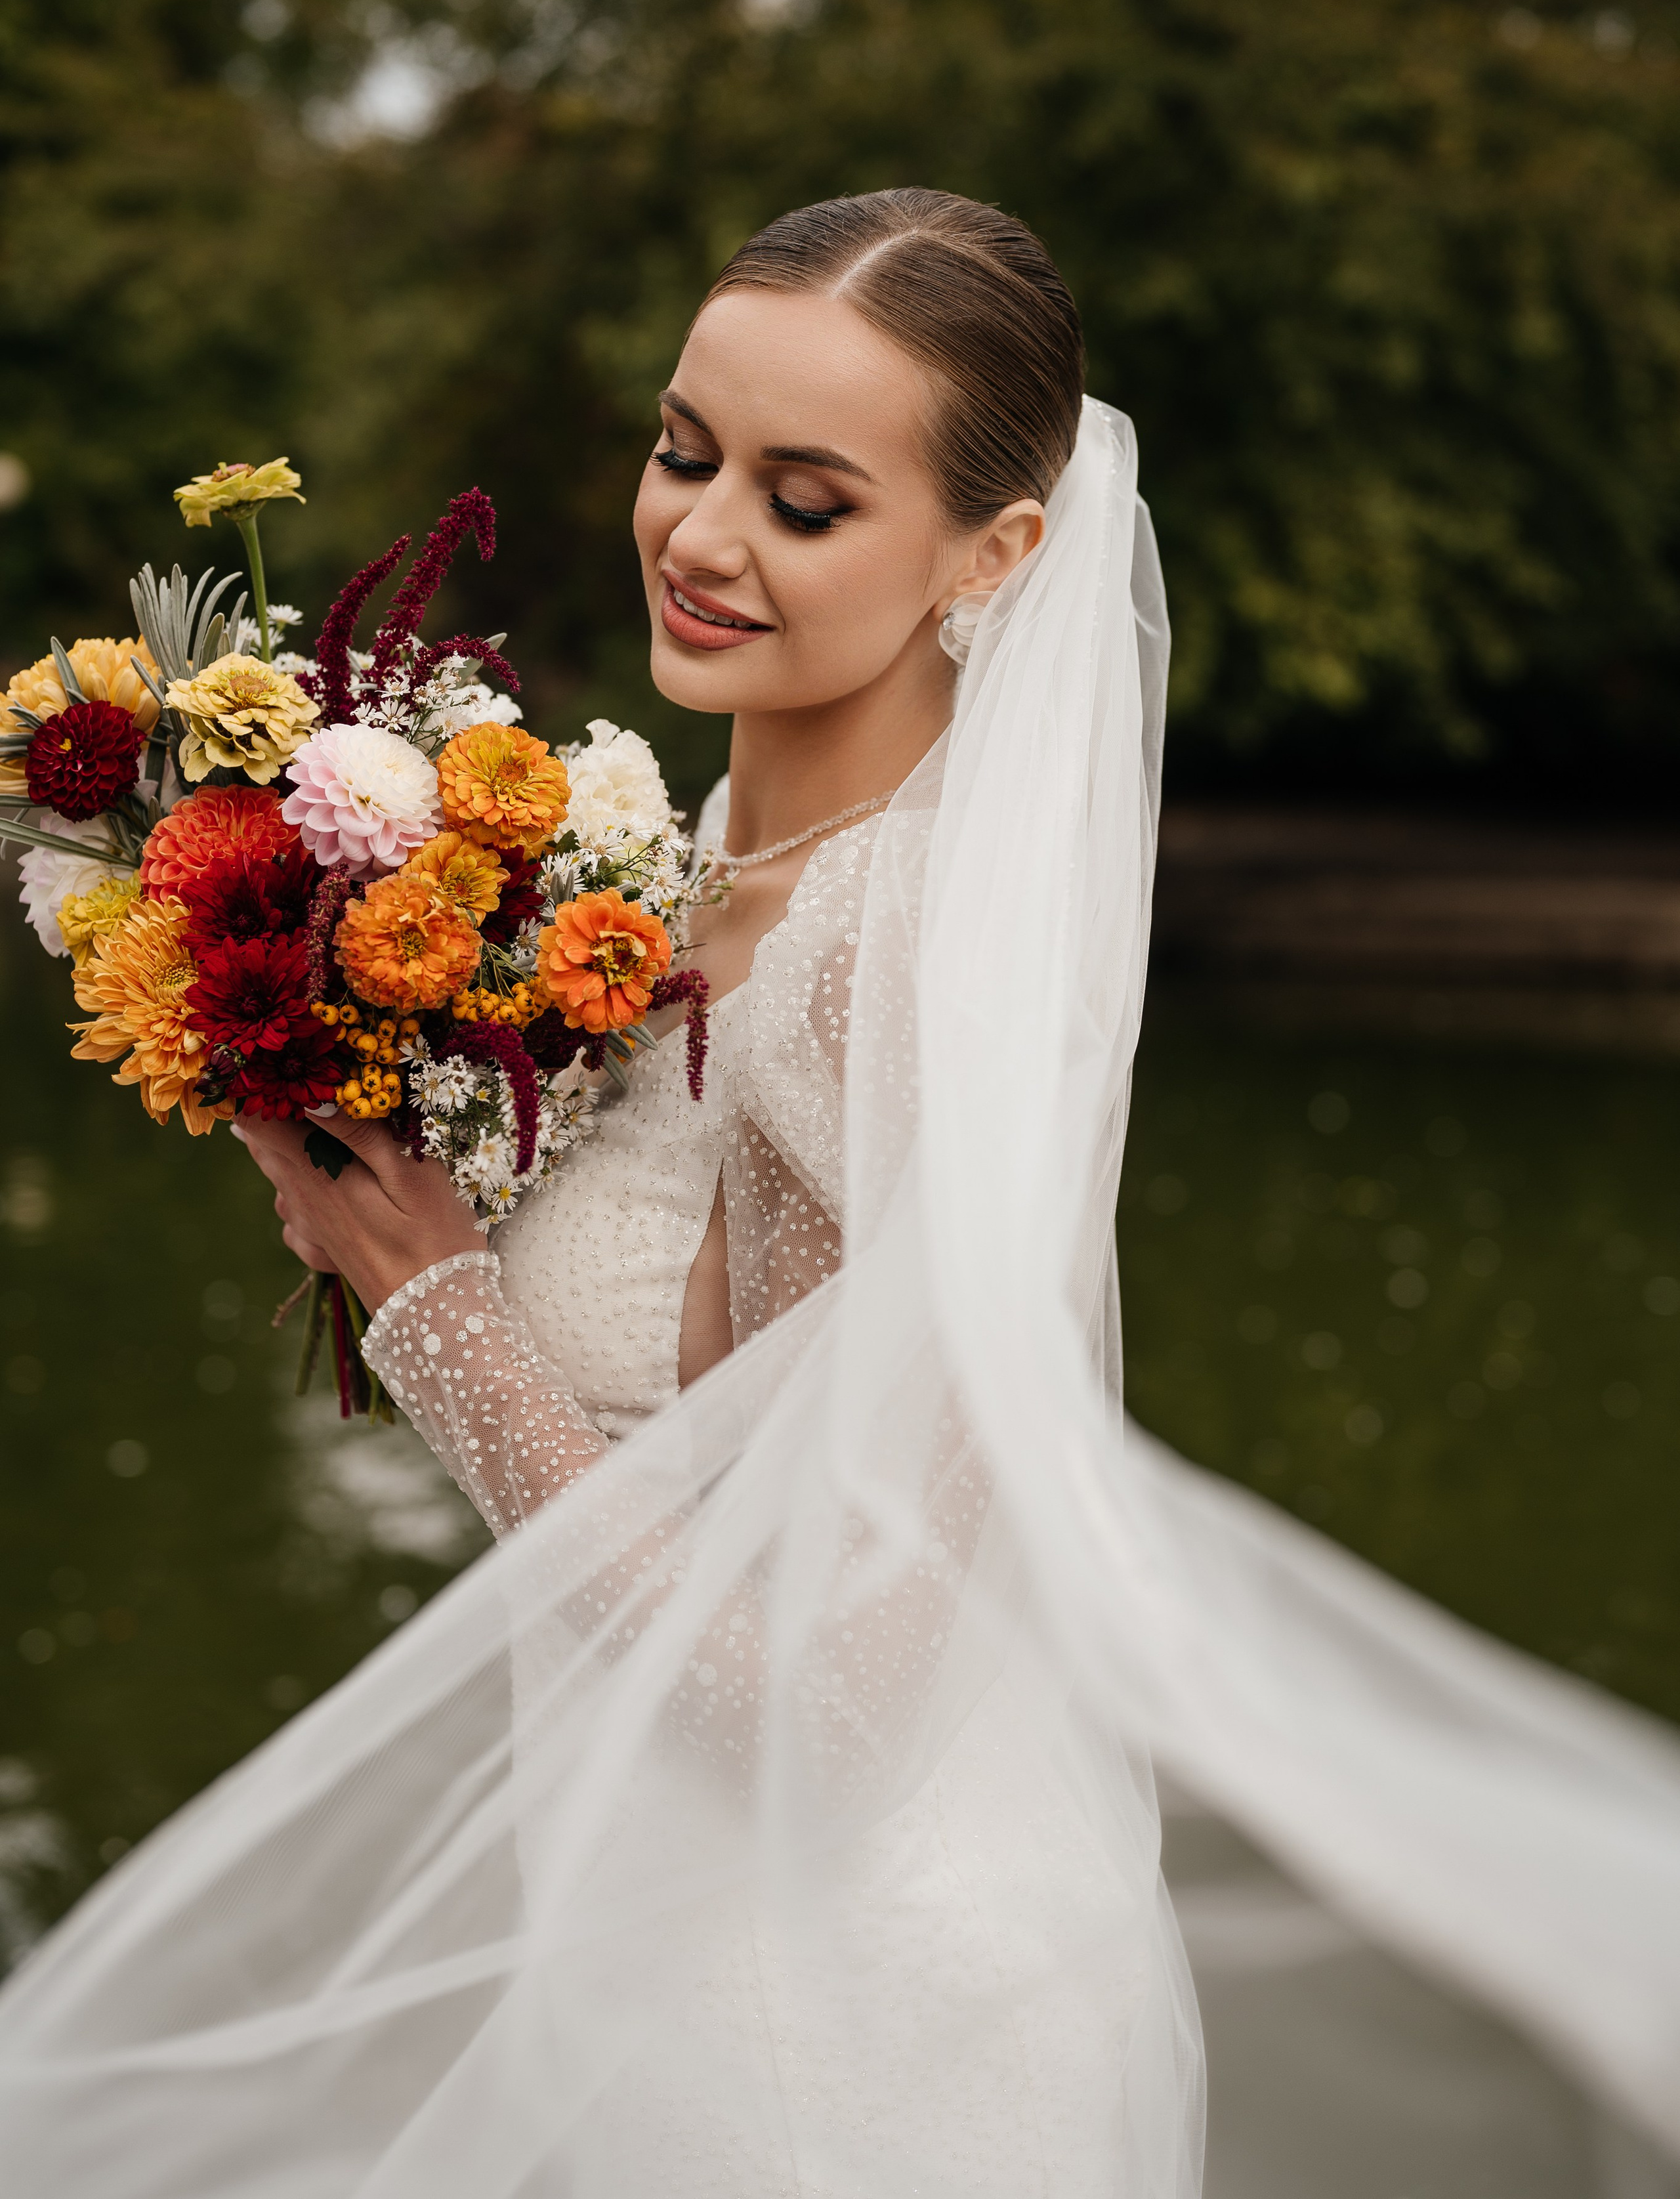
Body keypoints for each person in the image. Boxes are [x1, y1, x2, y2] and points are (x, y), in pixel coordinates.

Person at [4, 190, 1680, 2197]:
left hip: (823, 2030)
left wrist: (435, 1311)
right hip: (655, 1917)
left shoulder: (877, 959)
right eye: (684, 450)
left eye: (805, 503)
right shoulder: (700, 858)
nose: (701, 535)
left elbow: (817, 1706)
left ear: (995, 557)